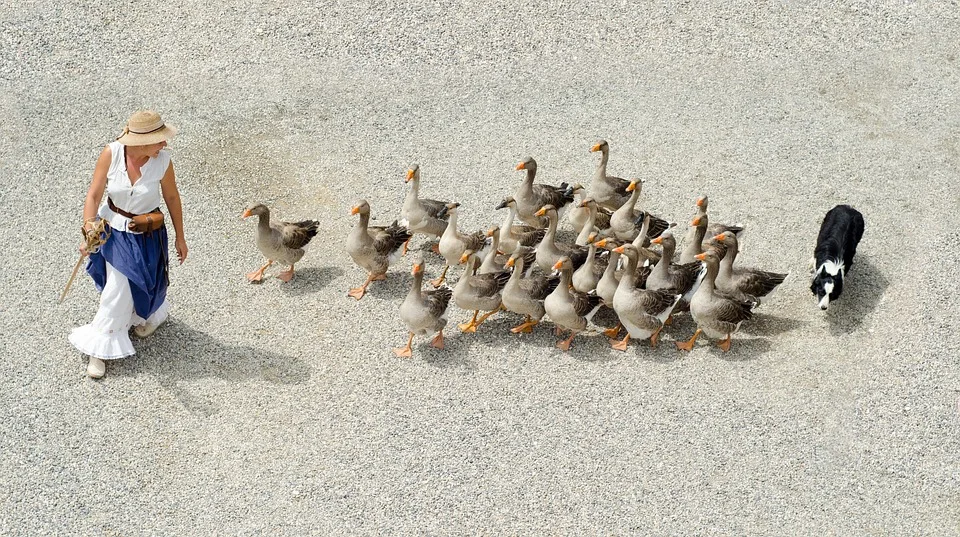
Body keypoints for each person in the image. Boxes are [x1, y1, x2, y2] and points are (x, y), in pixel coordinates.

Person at [69, 110, 188, 378]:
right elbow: (94, 194)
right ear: (140, 142)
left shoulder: (163, 161)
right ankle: (99, 346)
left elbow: (171, 197)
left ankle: (152, 315)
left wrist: (180, 237)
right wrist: (89, 228)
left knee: (145, 281)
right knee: (118, 287)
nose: (165, 144)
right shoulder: (111, 153)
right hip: (111, 229)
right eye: (159, 140)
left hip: (146, 233)